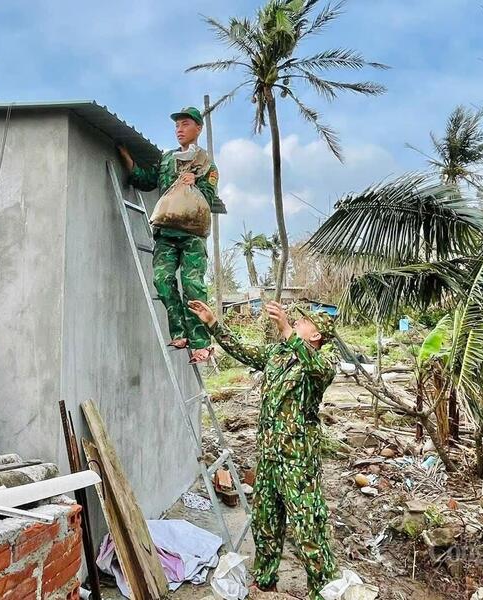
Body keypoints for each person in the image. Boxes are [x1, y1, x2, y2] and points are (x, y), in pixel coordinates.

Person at [188, 299, 338, 598]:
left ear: (315, 336)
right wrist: (213, 323)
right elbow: (242, 349)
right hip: (269, 457)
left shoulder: (321, 366)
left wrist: (285, 328)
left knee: (309, 527)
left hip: (297, 463)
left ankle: (323, 590)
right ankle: (266, 579)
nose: (298, 320)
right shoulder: (277, 354)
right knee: (265, 522)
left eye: (305, 321)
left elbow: (314, 364)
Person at [118, 106, 220, 364]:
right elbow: (147, 180)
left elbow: (209, 198)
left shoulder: (206, 164)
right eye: (177, 125)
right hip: (165, 231)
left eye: (185, 124)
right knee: (162, 281)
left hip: (193, 233)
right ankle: (179, 332)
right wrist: (128, 162)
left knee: (193, 285)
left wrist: (195, 183)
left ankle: (201, 344)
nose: (179, 129)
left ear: (198, 128)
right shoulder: (166, 159)